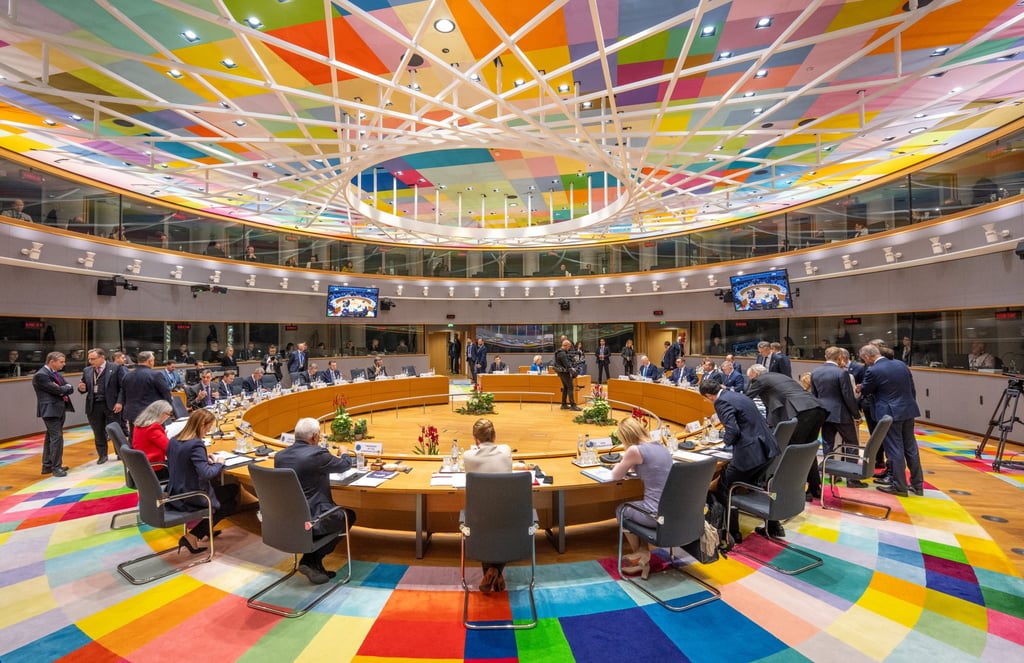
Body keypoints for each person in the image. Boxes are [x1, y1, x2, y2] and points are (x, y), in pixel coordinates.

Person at [274, 417, 356, 583]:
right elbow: (344, 465)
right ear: (314, 436)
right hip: (313, 519)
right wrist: (344, 452)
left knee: (335, 516)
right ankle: (311, 560)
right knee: (347, 516)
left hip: (286, 519)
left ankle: (311, 561)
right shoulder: (317, 454)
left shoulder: (280, 456)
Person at [699, 379, 781, 542]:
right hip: (766, 448)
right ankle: (773, 526)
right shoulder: (737, 395)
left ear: (709, 396)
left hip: (751, 453)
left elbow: (733, 430)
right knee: (747, 482)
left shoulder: (721, 402)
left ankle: (732, 533)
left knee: (723, 486)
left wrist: (725, 444)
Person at [745, 363, 828, 500]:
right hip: (816, 408)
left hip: (802, 412)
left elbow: (744, 399)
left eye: (750, 378)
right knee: (807, 449)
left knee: (794, 452)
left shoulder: (759, 380)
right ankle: (814, 488)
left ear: (754, 374)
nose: (750, 381)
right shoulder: (778, 376)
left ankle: (797, 490)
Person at [166, 409, 239, 553]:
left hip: (175, 492)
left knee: (232, 490)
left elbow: (183, 462)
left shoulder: (174, 440)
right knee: (232, 501)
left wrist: (203, 459)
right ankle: (193, 536)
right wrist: (219, 463)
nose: (208, 431)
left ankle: (205, 529)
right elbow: (207, 474)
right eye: (208, 428)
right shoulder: (196, 444)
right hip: (191, 495)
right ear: (201, 425)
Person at [611, 417, 674, 578]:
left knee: (622, 510)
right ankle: (642, 551)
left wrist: (619, 464)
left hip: (654, 515)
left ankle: (641, 556)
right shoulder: (662, 447)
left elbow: (615, 476)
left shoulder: (634, 450)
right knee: (638, 504)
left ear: (626, 437)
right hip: (672, 512)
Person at [859, 344, 924, 497]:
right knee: (911, 448)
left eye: (864, 359)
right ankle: (917, 485)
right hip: (908, 410)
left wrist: (860, 387)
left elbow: (866, 390)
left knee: (895, 449)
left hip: (889, 413)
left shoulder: (873, 370)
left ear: (867, 357)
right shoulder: (901, 365)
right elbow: (911, 388)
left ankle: (899, 486)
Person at [463, 418, 514, 591]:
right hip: (507, 517)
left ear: (475, 439)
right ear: (494, 436)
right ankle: (496, 571)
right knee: (499, 523)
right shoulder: (506, 451)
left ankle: (491, 571)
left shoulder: (468, 456)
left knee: (484, 520)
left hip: (479, 519)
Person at [811, 347, 866, 488]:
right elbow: (848, 396)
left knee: (828, 444)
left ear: (825, 356)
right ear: (840, 357)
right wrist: (856, 415)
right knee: (851, 443)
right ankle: (852, 478)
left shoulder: (815, 372)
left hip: (824, 413)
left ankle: (832, 474)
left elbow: (814, 396)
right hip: (841, 414)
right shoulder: (841, 373)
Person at [77, 348, 125, 464]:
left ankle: (120, 453)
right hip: (93, 405)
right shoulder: (87, 370)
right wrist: (81, 388)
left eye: (93, 359)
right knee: (98, 431)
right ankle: (102, 455)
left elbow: (123, 387)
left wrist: (120, 402)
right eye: (89, 359)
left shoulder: (115, 368)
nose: (90, 361)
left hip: (112, 405)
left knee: (115, 430)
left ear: (102, 357)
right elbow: (84, 386)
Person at [34, 351, 75, 477]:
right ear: (52, 362)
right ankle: (56, 467)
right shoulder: (41, 375)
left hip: (58, 409)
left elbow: (69, 388)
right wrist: (63, 388)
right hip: (50, 410)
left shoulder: (55, 373)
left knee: (50, 438)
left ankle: (47, 465)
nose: (64, 364)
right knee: (57, 438)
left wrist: (64, 388)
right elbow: (58, 390)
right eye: (61, 362)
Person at [122, 351, 173, 440]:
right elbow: (166, 394)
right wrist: (169, 410)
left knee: (135, 439)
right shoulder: (156, 375)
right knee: (154, 440)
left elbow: (123, 395)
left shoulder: (127, 376)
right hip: (151, 415)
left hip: (133, 414)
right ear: (150, 361)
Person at [131, 400, 173, 480]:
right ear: (160, 413)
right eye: (168, 414)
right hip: (155, 469)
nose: (168, 417)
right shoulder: (152, 429)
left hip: (143, 466)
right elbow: (170, 447)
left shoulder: (140, 425)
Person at [554, 339, 580, 410]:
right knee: (570, 387)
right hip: (565, 373)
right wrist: (572, 369)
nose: (569, 348)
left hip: (561, 373)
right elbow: (566, 364)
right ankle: (573, 405)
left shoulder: (558, 352)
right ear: (565, 345)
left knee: (565, 387)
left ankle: (564, 404)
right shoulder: (562, 353)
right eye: (569, 346)